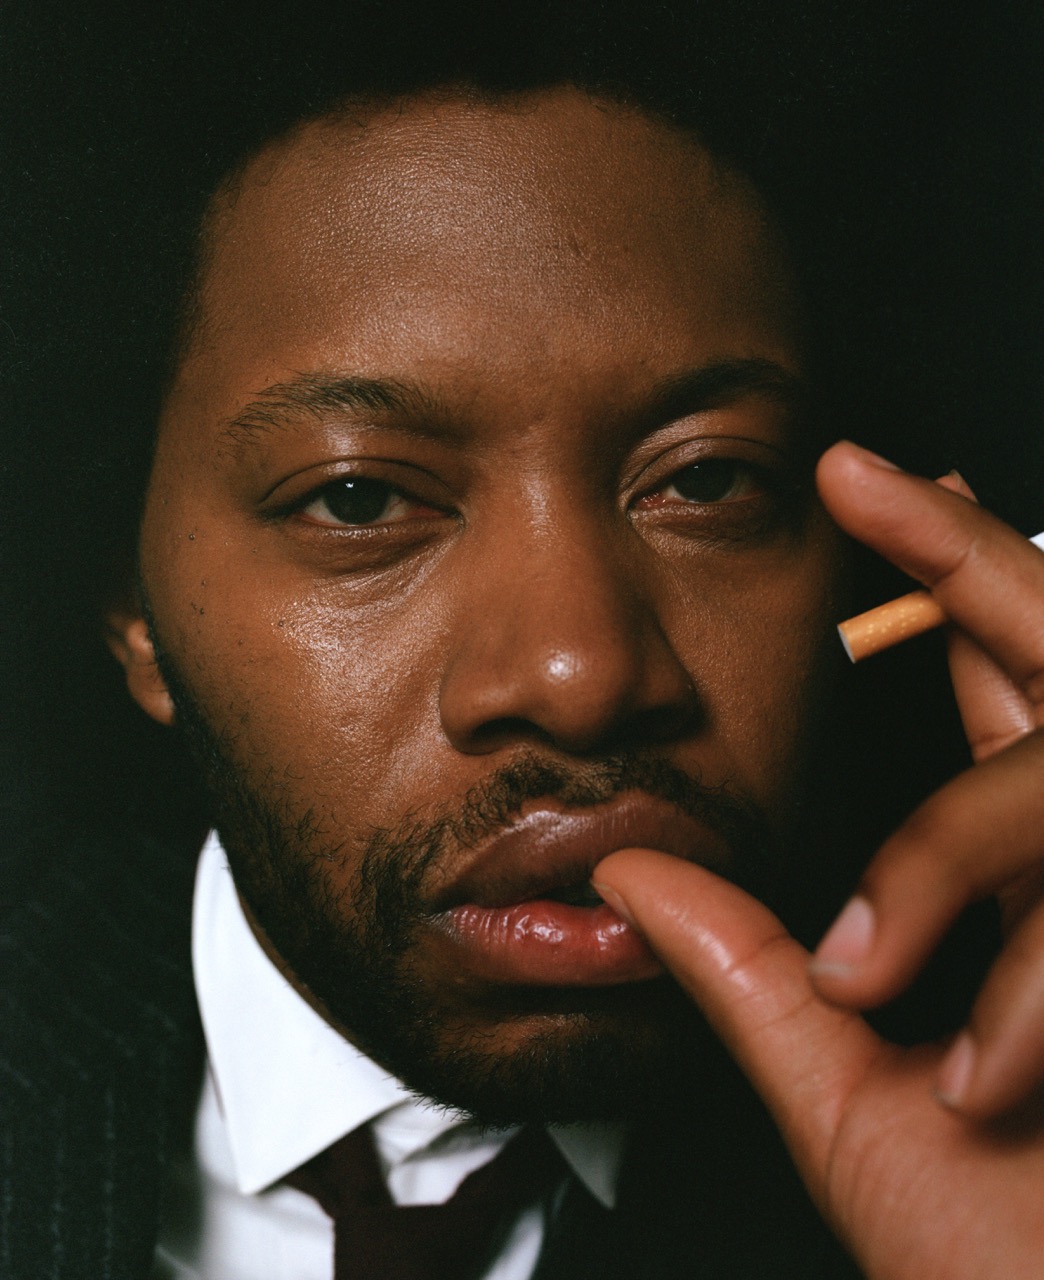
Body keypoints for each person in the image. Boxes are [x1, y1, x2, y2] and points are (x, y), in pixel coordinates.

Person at [2, 5, 1041, 1278]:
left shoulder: (976, 1088)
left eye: (707, 479)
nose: (581, 674)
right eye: (359, 500)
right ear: (135, 614)